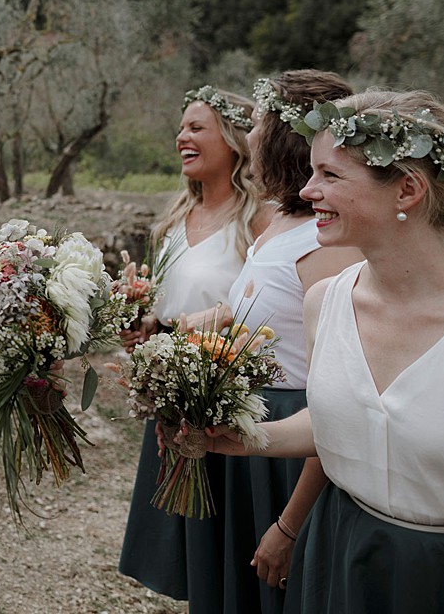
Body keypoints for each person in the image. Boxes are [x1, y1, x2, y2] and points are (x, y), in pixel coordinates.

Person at [204, 89, 444, 613]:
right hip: (339, 552)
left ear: (406, 190)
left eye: (330, 176)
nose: (308, 189)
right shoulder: (325, 303)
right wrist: (248, 438)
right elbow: (335, 421)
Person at [187, 71, 360, 614]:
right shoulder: (281, 221)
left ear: (285, 136)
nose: (251, 137)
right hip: (254, 428)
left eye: (260, 124)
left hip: (295, 451)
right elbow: (267, 314)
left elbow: (337, 393)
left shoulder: (325, 244)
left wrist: (289, 524)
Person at [117, 85, 269, 606]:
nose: (182, 137)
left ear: (233, 141)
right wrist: (144, 327)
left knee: (229, 538)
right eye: (181, 128)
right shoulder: (174, 223)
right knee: (187, 543)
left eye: (196, 127)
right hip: (176, 396)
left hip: (228, 400)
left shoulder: (258, 222)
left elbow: (262, 307)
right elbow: (168, 308)